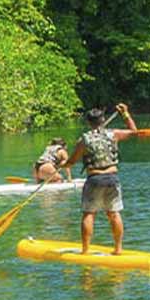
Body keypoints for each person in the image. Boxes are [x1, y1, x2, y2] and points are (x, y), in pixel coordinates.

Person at [63, 103, 139, 255]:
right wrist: (125, 113)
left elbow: (72, 161)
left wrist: (63, 164)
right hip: (112, 178)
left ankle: (85, 251)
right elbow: (134, 132)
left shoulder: (84, 140)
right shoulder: (113, 134)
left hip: (94, 179)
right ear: (103, 120)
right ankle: (118, 249)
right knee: (114, 213)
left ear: (89, 122)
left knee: (89, 214)